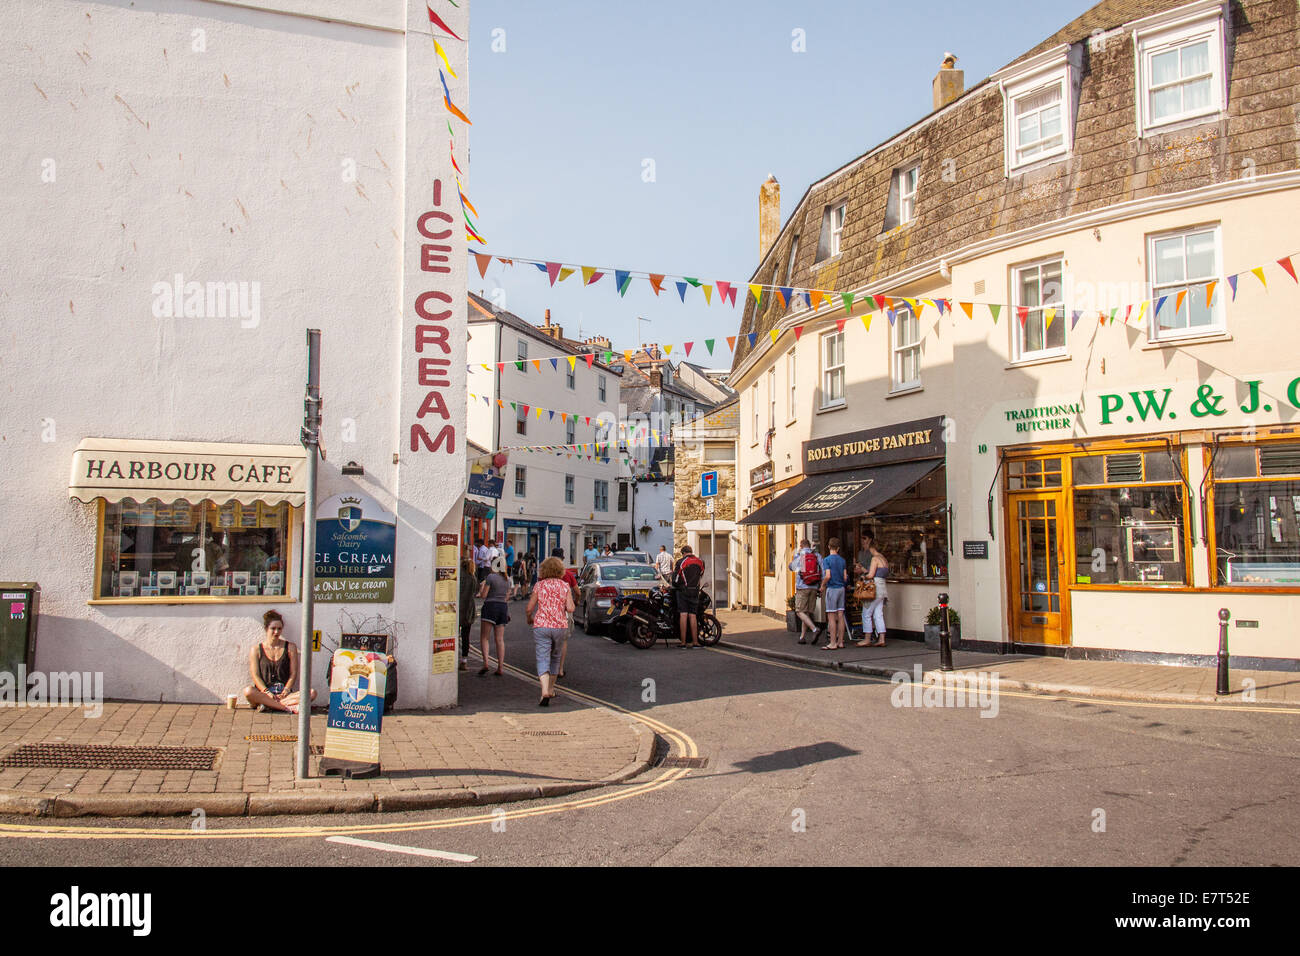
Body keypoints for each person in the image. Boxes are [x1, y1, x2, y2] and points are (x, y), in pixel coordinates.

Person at [242, 610, 317, 713]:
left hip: (284, 694)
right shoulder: (256, 650)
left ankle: (269, 705)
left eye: (279, 629)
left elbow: (293, 673)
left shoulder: (290, 647)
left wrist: (286, 690)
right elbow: (255, 675)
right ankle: (287, 707)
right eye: (273, 628)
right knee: (248, 691)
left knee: (312, 693)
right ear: (266, 629)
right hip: (265, 693)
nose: (276, 632)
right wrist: (267, 692)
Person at [527, 556, 575, 706]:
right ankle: (551, 688)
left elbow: (529, 607)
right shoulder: (565, 586)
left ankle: (544, 692)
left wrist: (529, 617)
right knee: (555, 657)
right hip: (559, 626)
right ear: (560, 570)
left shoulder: (539, 586)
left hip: (541, 625)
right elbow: (571, 608)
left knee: (542, 658)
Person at [475, 556, 510, 676]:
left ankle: (486, 663)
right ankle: (500, 667)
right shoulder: (507, 579)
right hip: (502, 608)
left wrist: (481, 589)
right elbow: (507, 597)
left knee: (485, 637)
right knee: (499, 639)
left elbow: (484, 595)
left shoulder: (490, 577)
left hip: (490, 606)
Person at [855, 535, 889, 647]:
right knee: (878, 614)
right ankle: (882, 638)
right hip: (883, 588)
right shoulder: (884, 559)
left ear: (872, 548)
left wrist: (864, 576)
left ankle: (867, 639)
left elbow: (871, 574)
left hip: (875, 588)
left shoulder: (875, 559)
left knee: (866, 613)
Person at [552, 548, 580, 679]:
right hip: (564, 610)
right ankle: (560, 669)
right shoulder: (568, 574)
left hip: (550, 610)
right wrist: (576, 601)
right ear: (562, 559)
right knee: (563, 640)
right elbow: (578, 592)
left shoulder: (545, 574)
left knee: (549, 640)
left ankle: (551, 667)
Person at [789, 539, 822, 645]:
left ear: (801, 546)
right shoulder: (816, 555)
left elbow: (791, 567)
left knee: (799, 611)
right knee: (806, 612)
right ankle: (802, 637)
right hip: (814, 586)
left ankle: (814, 629)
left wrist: (797, 554)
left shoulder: (800, 555)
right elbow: (823, 570)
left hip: (802, 586)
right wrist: (821, 586)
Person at [672, 545, 706, 648]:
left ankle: (683, 643)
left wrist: (676, 585)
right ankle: (695, 642)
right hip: (695, 592)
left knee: (683, 615)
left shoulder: (681, 562)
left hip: (683, 591)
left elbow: (675, 579)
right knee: (693, 615)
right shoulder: (700, 562)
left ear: (683, 553)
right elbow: (701, 574)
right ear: (691, 551)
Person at [820, 537, 848, 650]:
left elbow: (827, 576)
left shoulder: (826, 560)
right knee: (841, 615)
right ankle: (841, 642)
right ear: (838, 548)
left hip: (832, 589)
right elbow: (845, 577)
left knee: (831, 616)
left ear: (828, 547)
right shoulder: (842, 560)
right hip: (841, 588)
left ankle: (832, 643)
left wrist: (822, 585)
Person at [458, 557, 478, 670]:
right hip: (469, 610)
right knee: (466, 637)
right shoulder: (473, 578)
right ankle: (464, 661)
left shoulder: (459, 576)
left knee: (455, 635)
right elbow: (475, 592)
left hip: (457, 608)